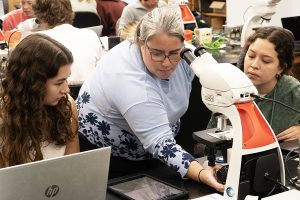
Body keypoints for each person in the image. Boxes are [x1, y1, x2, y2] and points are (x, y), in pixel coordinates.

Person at [77, 7, 224, 192]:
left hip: (152, 151)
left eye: (174, 53)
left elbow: (219, 81)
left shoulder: (185, 55)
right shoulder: (128, 78)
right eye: (157, 53)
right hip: (109, 158)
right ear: (140, 42)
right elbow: (160, 142)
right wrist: (203, 174)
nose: (167, 62)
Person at [207, 26, 300, 142]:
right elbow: (210, 138)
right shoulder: (229, 90)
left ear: (281, 67)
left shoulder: (293, 91)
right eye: (251, 56)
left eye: (266, 61)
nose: (254, 65)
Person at [0, 34, 80, 168]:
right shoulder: (4, 116)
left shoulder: (67, 105)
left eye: (66, 79)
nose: (66, 89)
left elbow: (72, 165)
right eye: (59, 82)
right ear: (34, 83)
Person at [32, 0, 103, 98]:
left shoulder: (37, 40)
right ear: (70, 11)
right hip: (89, 98)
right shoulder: (91, 35)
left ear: (39, 15)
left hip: (55, 100)